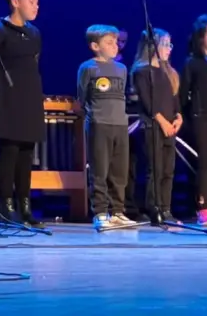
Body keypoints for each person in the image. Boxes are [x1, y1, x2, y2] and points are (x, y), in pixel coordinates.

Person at [0, 0, 44, 227]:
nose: (36, 7)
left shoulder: (34, 33)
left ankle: (25, 206)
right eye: (32, 2)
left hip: (29, 97)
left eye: (38, 2)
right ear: (15, 2)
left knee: (26, 154)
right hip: (7, 98)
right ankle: (5, 206)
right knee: (9, 152)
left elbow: (34, 63)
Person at [77, 25, 132, 229]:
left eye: (115, 42)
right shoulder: (87, 68)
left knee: (120, 171)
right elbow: (82, 96)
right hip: (100, 124)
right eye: (109, 42)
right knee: (99, 170)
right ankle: (100, 212)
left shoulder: (122, 69)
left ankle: (118, 211)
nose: (115, 46)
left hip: (120, 124)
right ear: (95, 46)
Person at [132, 29, 182, 220]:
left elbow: (175, 101)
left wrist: (178, 118)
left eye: (170, 44)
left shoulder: (169, 72)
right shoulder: (142, 72)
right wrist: (162, 121)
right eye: (165, 44)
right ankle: (154, 207)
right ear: (152, 46)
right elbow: (147, 102)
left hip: (170, 127)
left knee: (169, 170)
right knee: (156, 169)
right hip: (153, 126)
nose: (169, 49)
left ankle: (166, 207)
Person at [179, 14, 207, 228]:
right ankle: (203, 207)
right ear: (200, 36)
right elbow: (183, 95)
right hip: (202, 119)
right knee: (206, 164)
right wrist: (188, 118)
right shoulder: (192, 63)